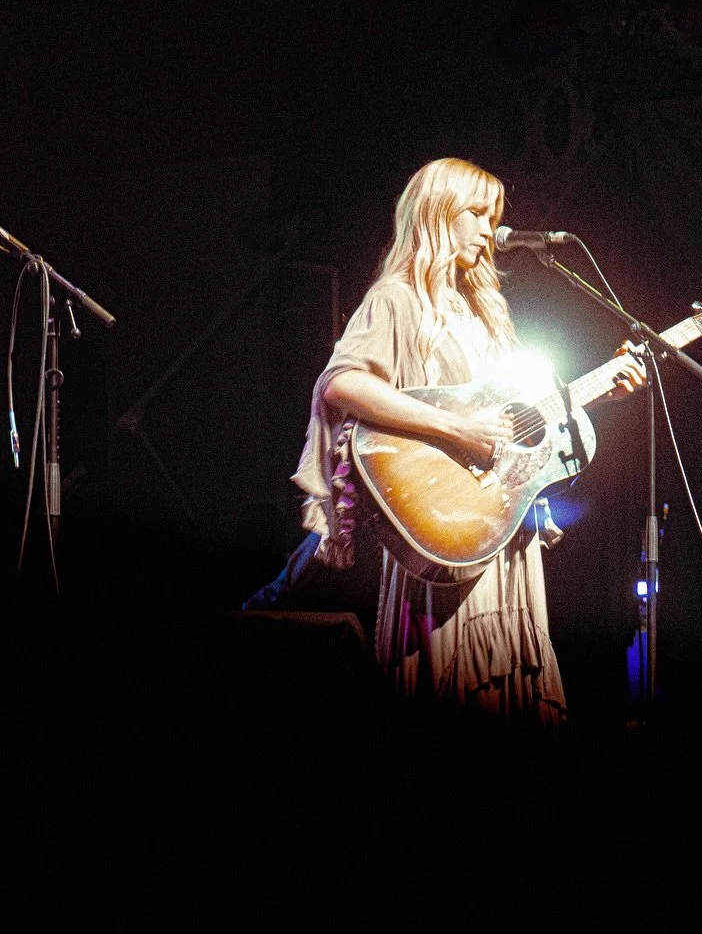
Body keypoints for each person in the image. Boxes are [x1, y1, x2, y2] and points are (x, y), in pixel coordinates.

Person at [243, 157, 646, 729]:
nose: (490, 230)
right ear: (436, 215)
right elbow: (341, 383)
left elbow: (518, 421)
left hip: (498, 528)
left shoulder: (485, 312)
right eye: (477, 214)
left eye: (495, 217)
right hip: (440, 528)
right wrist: (456, 430)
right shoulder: (398, 299)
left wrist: (601, 391)